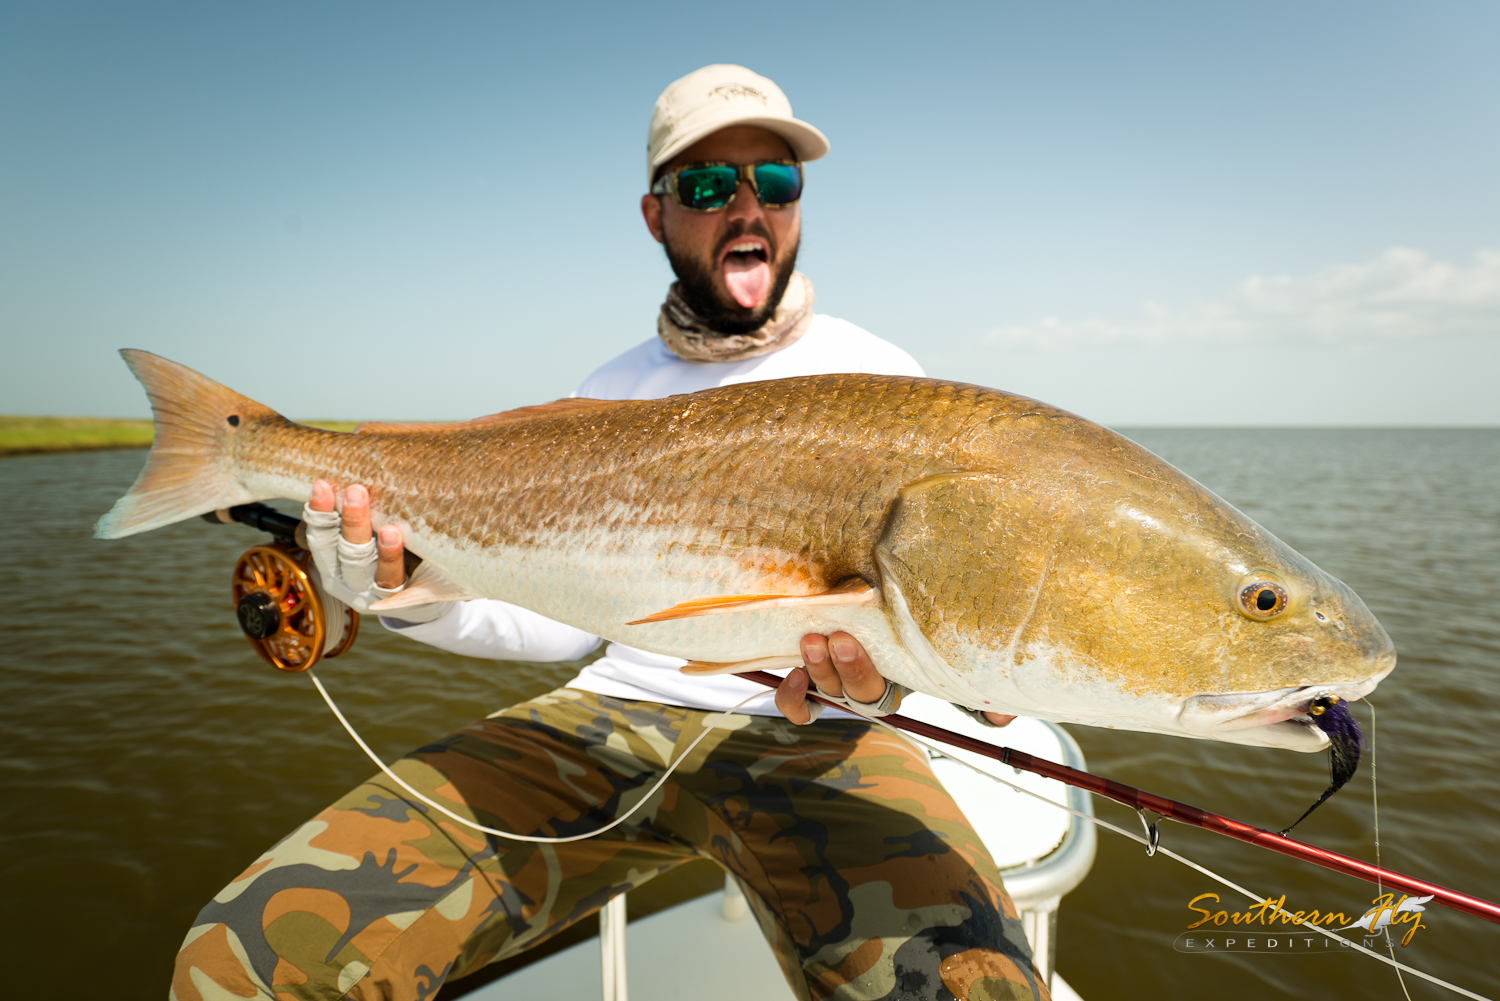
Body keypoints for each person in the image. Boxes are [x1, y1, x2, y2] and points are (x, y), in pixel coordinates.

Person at [171, 65, 1047, 1001]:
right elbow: (560, 622)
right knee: (250, 961)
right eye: (708, 185)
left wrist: (896, 686)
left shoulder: (880, 378)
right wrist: (404, 593)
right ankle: (223, 444)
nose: (747, 207)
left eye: (777, 181)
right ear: (656, 213)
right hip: (604, 719)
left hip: (818, 741)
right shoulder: (608, 388)